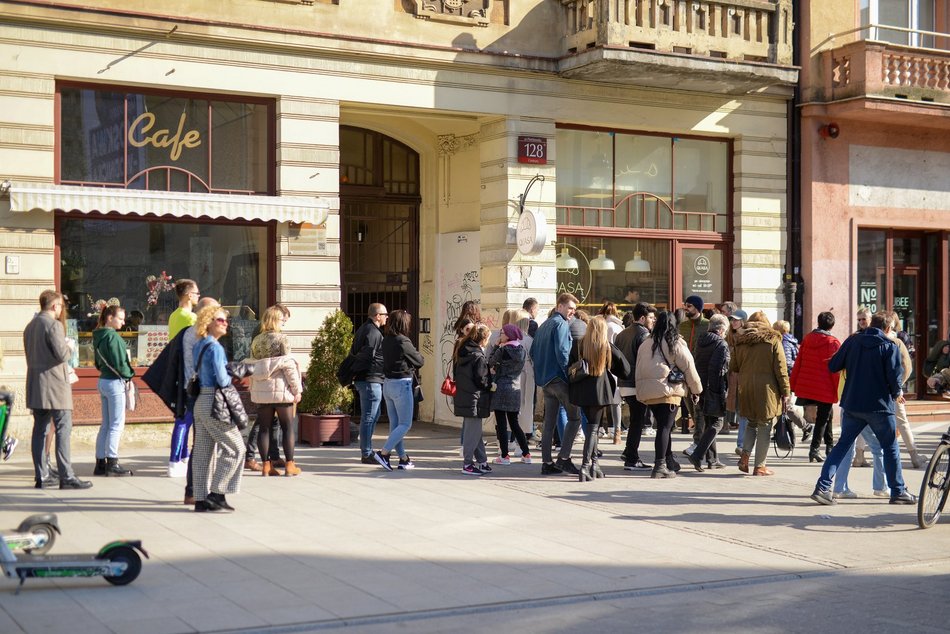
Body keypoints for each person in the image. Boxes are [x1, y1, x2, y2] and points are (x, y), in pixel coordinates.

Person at [811, 312, 916, 506]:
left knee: (842, 445)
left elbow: (833, 365)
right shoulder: (889, 346)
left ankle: (823, 487)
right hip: (879, 406)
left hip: (853, 403)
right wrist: (897, 393)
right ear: (887, 328)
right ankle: (898, 491)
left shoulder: (853, 341)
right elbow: (894, 377)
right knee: (890, 447)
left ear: (870, 325)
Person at [23, 290, 92, 490]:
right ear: (54, 306)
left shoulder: (30, 326)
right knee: (63, 428)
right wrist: (69, 346)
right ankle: (66, 476)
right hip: (55, 385)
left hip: (36, 383)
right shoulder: (53, 325)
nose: (62, 309)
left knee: (39, 430)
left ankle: (42, 475)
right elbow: (62, 354)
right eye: (61, 306)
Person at [635, 310, 702, 479]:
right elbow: (689, 367)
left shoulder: (646, 343)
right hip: (669, 390)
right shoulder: (675, 342)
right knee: (664, 428)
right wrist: (697, 390)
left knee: (664, 427)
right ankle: (660, 465)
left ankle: (668, 461)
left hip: (649, 393)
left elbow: (639, 368)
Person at [191, 305, 244, 512]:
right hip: (215, 402)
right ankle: (217, 493)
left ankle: (200, 499)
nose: (225, 323)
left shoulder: (199, 345)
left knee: (203, 453)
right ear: (208, 322)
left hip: (201, 401)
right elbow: (223, 380)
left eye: (225, 320)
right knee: (236, 448)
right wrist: (235, 371)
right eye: (220, 320)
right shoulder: (215, 348)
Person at [568, 316, 630, 481]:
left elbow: (570, 366)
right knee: (593, 429)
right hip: (599, 391)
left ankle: (594, 464)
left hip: (581, 391)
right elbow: (625, 368)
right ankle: (585, 466)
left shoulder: (578, 345)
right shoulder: (606, 347)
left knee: (591, 427)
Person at [731, 310, 790, 476]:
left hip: (746, 387)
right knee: (765, 426)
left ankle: (745, 457)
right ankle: (760, 466)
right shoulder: (773, 339)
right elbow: (781, 369)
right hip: (767, 389)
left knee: (751, 423)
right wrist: (786, 391)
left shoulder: (740, 340)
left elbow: (733, 367)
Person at [531, 293, 584, 476]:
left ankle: (547, 463)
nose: (572, 312)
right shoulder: (560, 323)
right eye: (570, 308)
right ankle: (564, 458)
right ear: (559, 306)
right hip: (559, 379)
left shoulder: (544, 324)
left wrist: (541, 372)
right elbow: (562, 353)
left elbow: (532, 352)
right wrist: (568, 375)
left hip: (545, 380)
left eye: (574, 309)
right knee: (575, 417)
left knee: (549, 423)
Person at [248, 306, 303, 477]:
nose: (283, 323)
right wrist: (297, 389)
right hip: (281, 388)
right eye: (282, 320)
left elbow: (254, 365)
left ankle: (266, 466)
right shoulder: (282, 339)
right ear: (276, 320)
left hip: (262, 389)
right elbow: (288, 367)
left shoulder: (257, 340)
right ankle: (289, 465)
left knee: (264, 428)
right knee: (287, 428)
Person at [373, 310, 424, 471]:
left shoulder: (386, 339)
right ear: (404, 323)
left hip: (387, 384)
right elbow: (420, 360)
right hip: (402, 384)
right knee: (405, 424)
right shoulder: (403, 340)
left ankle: (403, 458)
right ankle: (384, 453)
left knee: (395, 425)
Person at [789, 311, 841, 463]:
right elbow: (835, 369)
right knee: (822, 418)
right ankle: (815, 449)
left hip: (809, 385)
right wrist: (839, 390)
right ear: (832, 325)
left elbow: (799, 361)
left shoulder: (808, 338)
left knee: (827, 415)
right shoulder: (833, 343)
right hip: (824, 387)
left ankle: (830, 447)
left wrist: (794, 384)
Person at [92, 305, 135, 477]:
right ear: (110, 317)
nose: (124, 322)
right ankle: (112, 462)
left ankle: (100, 462)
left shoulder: (98, 335)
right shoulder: (113, 337)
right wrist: (130, 374)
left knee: (106, 424)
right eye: (121, 318)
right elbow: (121, 363)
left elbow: (97, 362)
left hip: (103, 380)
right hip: (115, 382)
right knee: (117, 425)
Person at [616, 302, 656, 470]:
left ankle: (628, 452)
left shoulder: (622, 333)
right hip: (636, 382)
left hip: (624, 382)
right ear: (642, 318)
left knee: (635, 419)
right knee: (637, 421)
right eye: (651, 318)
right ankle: (632, 458)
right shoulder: (644, 335)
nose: (653, 321)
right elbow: (646, 360)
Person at [688, 314, 730, 471]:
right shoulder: (721, 344)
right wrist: (721, 392)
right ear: (720, 330)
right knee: (717, 423)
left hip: (701, 386)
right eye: (725, 331)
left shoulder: (701, 340)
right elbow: (719, 370)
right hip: (714, 387)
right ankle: (698, 454)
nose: (725, 334)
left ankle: (712, 459)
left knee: (709, 422)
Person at [454, 323, 493, 475]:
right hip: (475, 398)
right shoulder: (478, 356)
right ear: (482, 339)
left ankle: (482, 461)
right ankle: (468, 463)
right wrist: (491, 383)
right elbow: (482, 380)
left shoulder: (463, 351)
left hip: (466, 395)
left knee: (475, 432)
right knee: (472, 433)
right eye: (487, 339)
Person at [489, 324, 531, 465]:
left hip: (501, 387)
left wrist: (495, 346)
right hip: (515, 388)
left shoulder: (503, 349)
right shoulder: (521, 349)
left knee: (501, 424)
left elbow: (490, 362)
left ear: (507, 335)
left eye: (502, 333)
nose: (500, 335)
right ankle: (526, 453)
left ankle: (505, 456)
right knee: (514, 423)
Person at [352, 304, 388, 464]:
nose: (387, 317)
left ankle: (367, 450)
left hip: (367, 379)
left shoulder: (363, 329)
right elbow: (368, 356)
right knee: (369, 416)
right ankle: (366, 452)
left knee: (374, 414)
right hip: (370, 379)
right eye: (385, 314)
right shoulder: (373, 332)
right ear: (377, 315)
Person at [598, 301, 625, 444]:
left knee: (600, 400)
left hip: (603, 365)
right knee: (616, 402)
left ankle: (600, 429)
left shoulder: (602, 326)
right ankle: (617, 432)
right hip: (615, 366)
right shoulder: (618, 327)